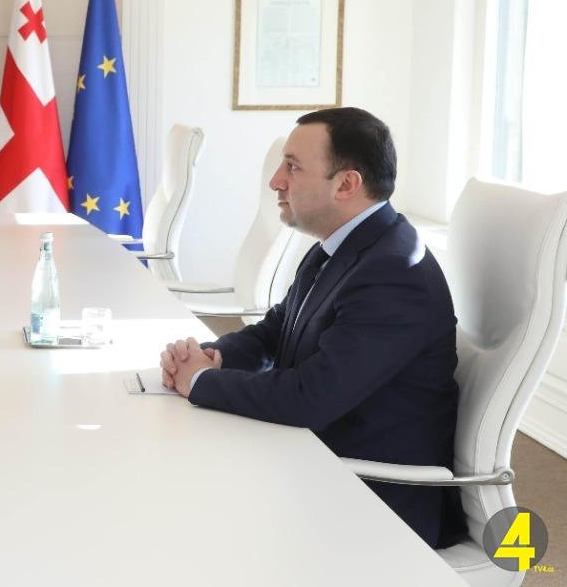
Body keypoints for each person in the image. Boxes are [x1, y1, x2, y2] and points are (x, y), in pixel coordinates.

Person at [159, 107, 466, 549]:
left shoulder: (393, 272)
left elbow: (309, 398)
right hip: (314, 458)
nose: (275, 181)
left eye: (293, 167)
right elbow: (276, 330)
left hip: (370, 501)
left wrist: (200, 381)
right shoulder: (341, 245)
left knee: (182, 512)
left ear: (346, 184)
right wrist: (214, 355)